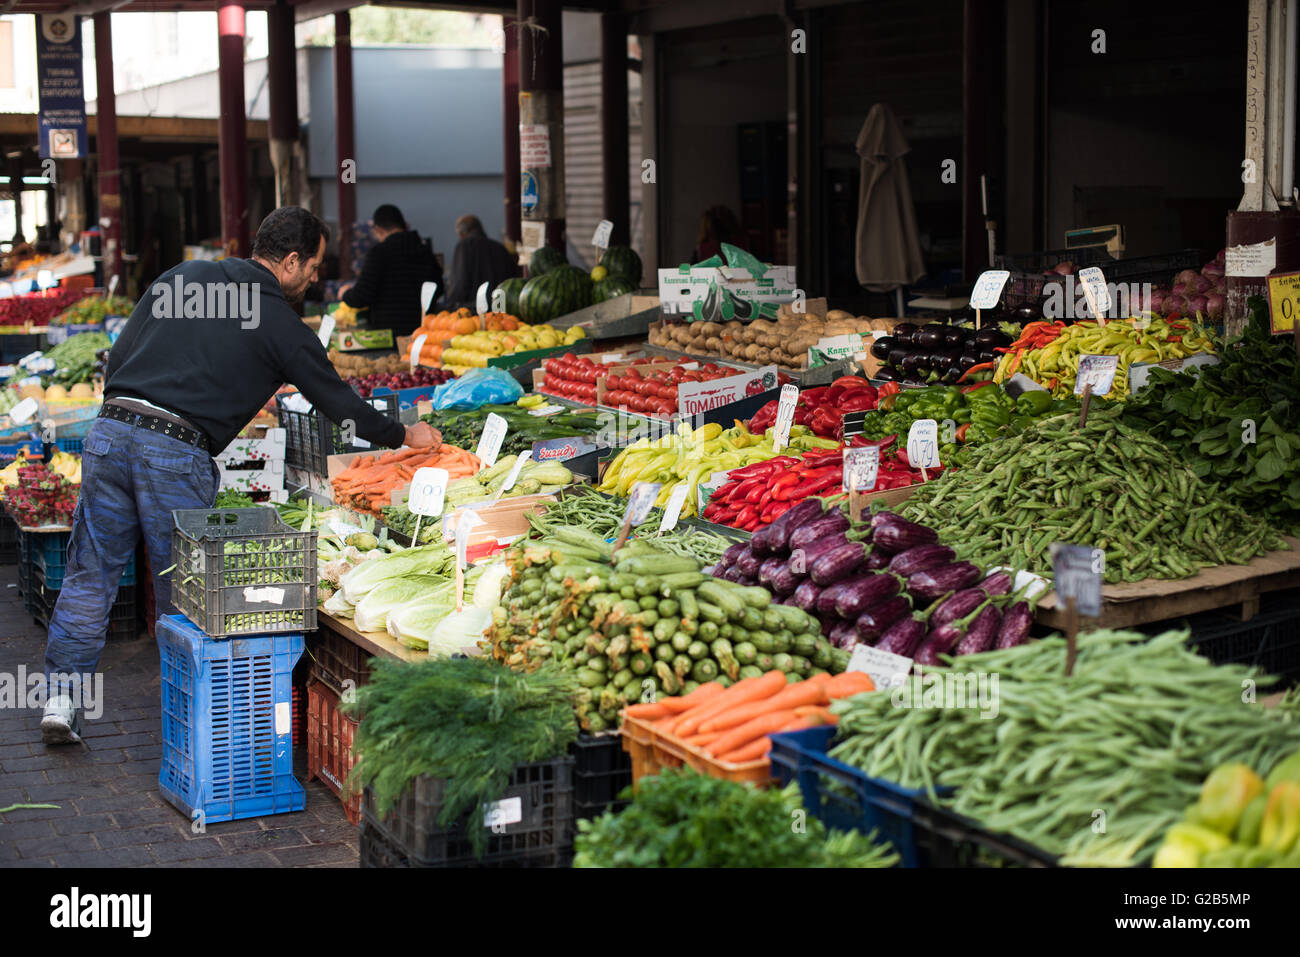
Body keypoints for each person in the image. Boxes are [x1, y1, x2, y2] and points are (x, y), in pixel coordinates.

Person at [40, 206, 441, 745]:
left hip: (110, 431)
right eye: (315, 267)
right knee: (185, 593)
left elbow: (120, 355)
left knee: (91, 574)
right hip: (173, 450)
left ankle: (61, 702)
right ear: (292, 260)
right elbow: (338, 404)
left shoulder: (183, 277)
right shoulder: (279, 320)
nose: (317, 279)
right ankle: (189, 727)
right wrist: (403, 434)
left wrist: (133, 408)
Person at [339, 204, 442, 336]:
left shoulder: (379, 253)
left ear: (379, 230)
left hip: (387, 336)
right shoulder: (425, 252)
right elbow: (438, 289)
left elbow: (362, 296)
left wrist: (345, 293)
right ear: (404, 224)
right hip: (423, 334)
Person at [445, 214, 519, 310]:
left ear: (462, 234)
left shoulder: (464, 246)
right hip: (501, 311)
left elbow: (459, 284)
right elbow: (513, 281)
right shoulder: (500, 248)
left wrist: (452, 305)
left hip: (473, 313)